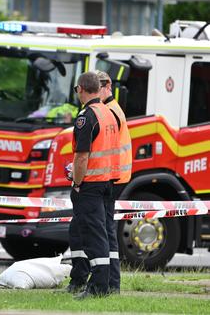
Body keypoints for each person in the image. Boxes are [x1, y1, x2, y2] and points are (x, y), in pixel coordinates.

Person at [66, 72, 118, 299]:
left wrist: (77, 183)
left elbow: (82, 157)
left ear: (81, 89)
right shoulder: (108, 113)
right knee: (102, 234)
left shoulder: (86, 117)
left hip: (90, 185)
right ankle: (103, 284)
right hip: (107, 181)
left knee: (94, 236)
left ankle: (97, 287)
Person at [96, 70, 132, 294]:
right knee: (106, 230)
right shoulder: (110, 108)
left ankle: (112, 284)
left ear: (108, 85)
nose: (94, 91)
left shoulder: (110, 111)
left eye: (97, 86)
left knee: (107, 231)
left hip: (112, 178)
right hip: (113, 176)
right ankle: (110, 283)